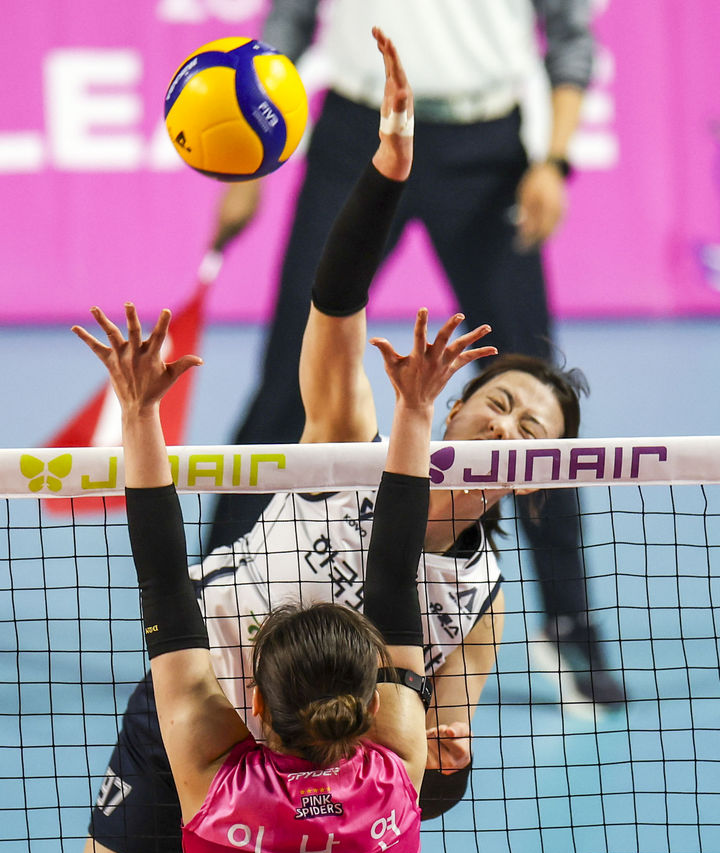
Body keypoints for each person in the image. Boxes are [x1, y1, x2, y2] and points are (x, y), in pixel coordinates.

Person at [70, 27, 586, 853]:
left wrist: (449, 769)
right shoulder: (348, 441)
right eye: (495, 401)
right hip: (201, 704)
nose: (504, 423)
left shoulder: (481, 599)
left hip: (322, 770)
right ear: (452, 412)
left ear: (535, 473)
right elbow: (335, 299)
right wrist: (386, 174)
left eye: (529, 426)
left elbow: (425, 763)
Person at [205, 0, 624, 708]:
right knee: (287, 384)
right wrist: (247, 168)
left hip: (487, 151)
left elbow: (570, 36)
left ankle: (569, 623)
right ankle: (211, 601)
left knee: (534, 400)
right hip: (356, 136)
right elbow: (286, 27)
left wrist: (553, 160)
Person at [72, 286, 494, 853]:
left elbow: (165, 580)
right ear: (374, 706)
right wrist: (415, 410)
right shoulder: (397, 773)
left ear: (257, 704)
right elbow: (393, 577)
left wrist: (137, 412)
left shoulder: (211, 788)